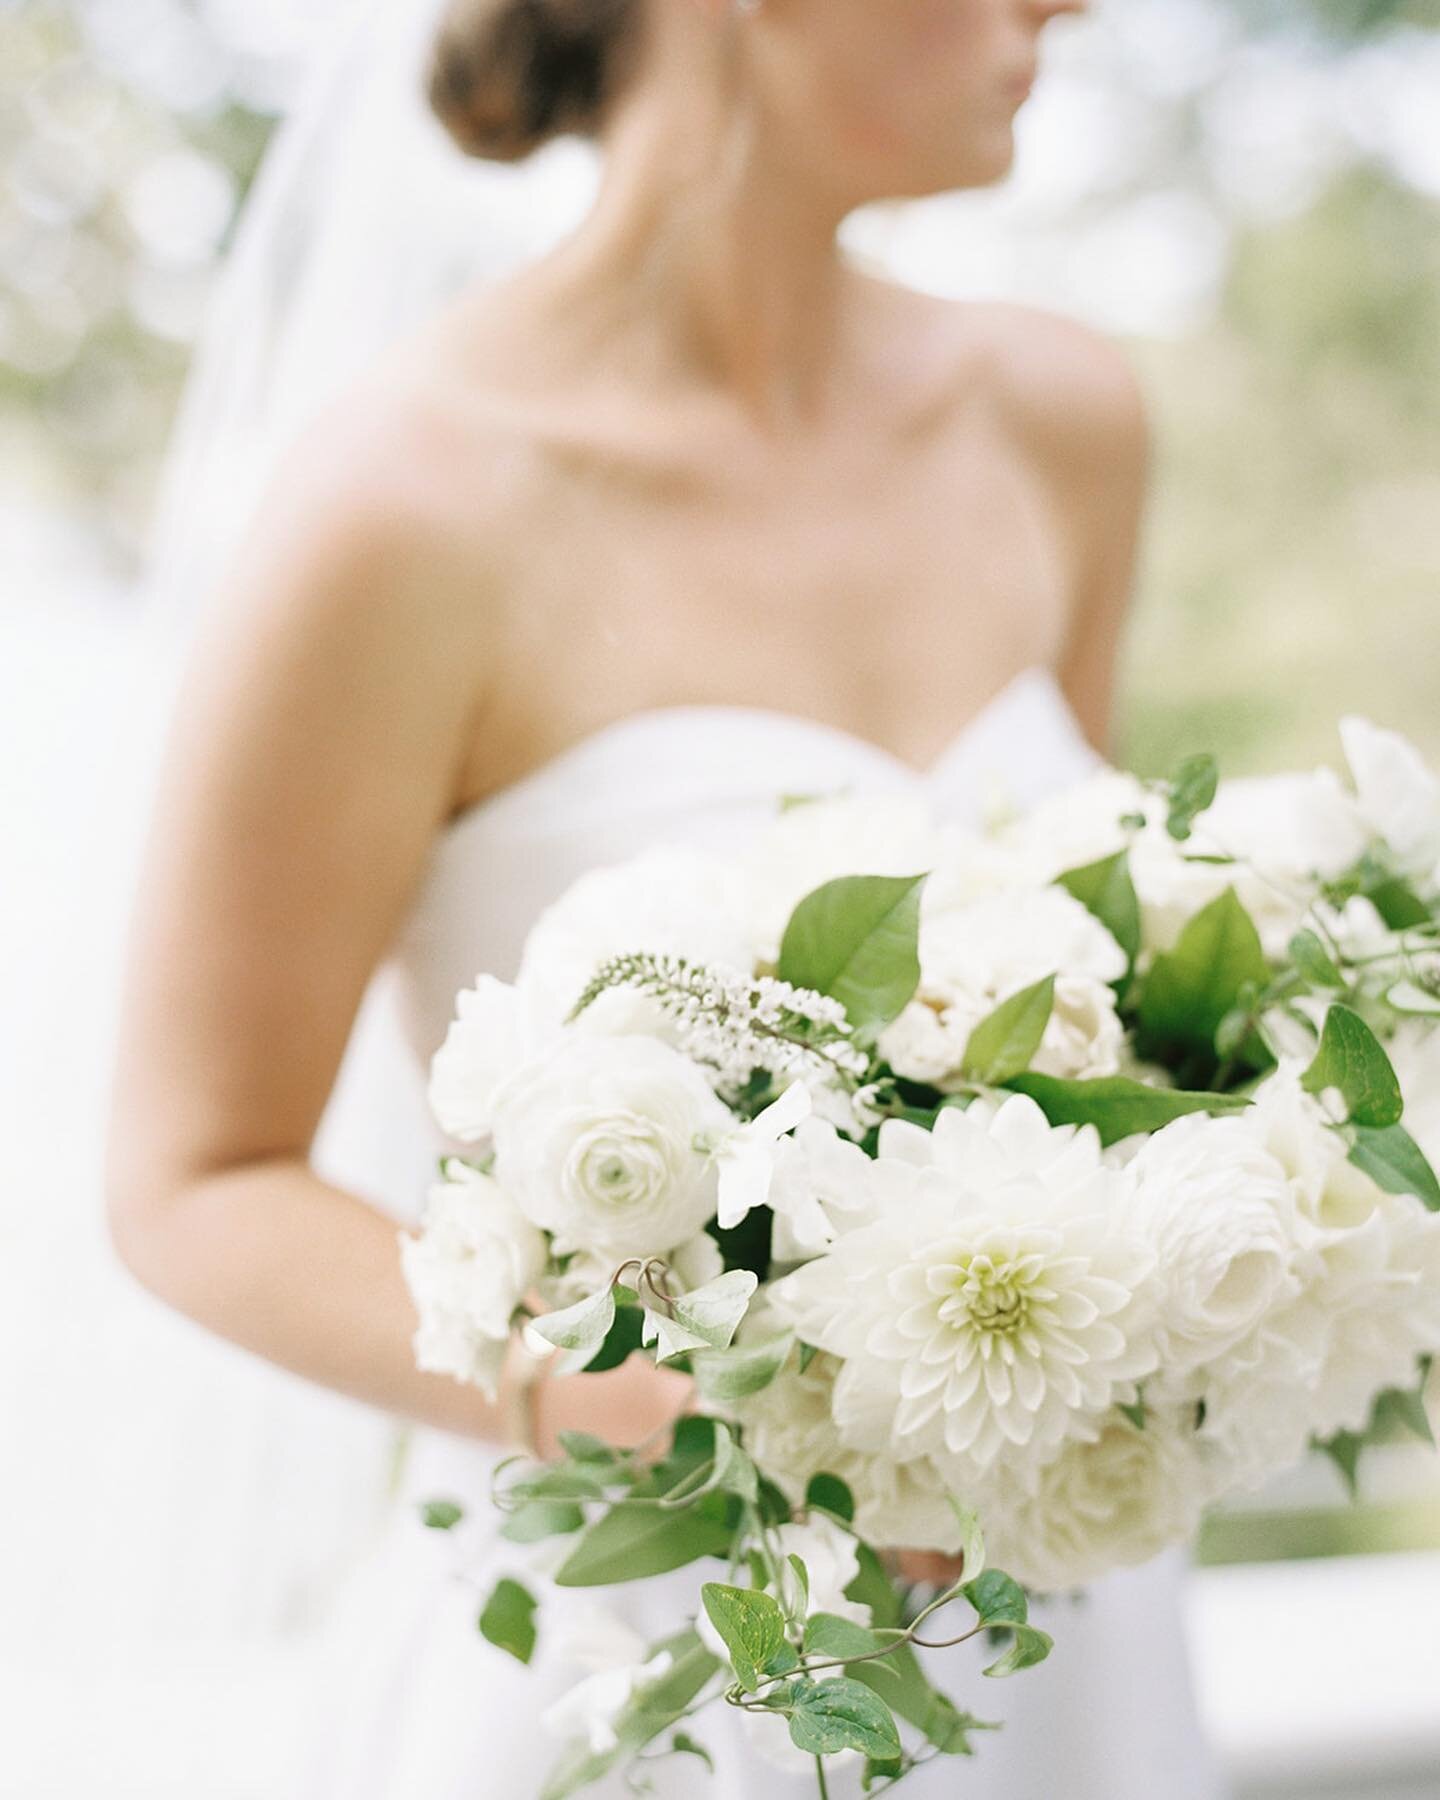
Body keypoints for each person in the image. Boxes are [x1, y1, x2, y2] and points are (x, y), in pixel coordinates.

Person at [104, 0, 1229, 1793]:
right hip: (650, 1665)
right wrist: (750, 1414)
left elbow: (1071, 1006)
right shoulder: (402, 509)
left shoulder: (1061, 422)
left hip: (1057, 1634)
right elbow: (194, 1185)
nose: (1071, 10)